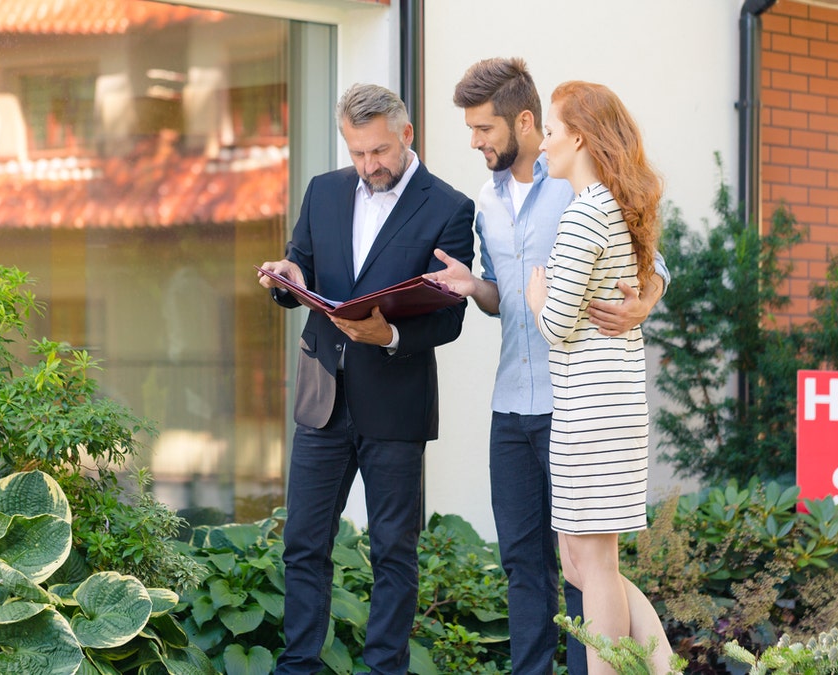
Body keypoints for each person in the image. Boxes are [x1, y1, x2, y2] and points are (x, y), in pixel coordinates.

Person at [427, 58, 671, 674]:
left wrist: (642, 302)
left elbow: (652, 262)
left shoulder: (579, 187)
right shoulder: (488, 198)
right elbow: (504, 297)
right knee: (527, 564)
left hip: (575, 403)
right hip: (511, 402)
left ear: (526, 121)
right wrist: (471, 285)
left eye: (484, 128)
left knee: (586, 570)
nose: (475, 141)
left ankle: (618, 665)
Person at [257, 83, 474, 675]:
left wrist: (393, 337)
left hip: (396, 403)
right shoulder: (324, 191)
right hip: (323, 395)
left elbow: (451, 316)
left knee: (393, 553)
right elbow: (301, 261)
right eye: (356, 153)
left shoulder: (449, 207)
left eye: (378, 152)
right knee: (303, 545)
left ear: (406, 135)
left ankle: (386, 669)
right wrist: (286, 274)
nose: (367, 166)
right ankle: (298, 665)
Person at [524, 80, 668, 675]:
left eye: (551, 133)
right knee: (584, 566)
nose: (544, 146)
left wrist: (537, 294)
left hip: (595, 411)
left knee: (595, 567)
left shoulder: (588, 211)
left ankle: (620, 670)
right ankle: (661, 664)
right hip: (600, 407)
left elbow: (556, 324)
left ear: (578, 136)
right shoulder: (610, 205)